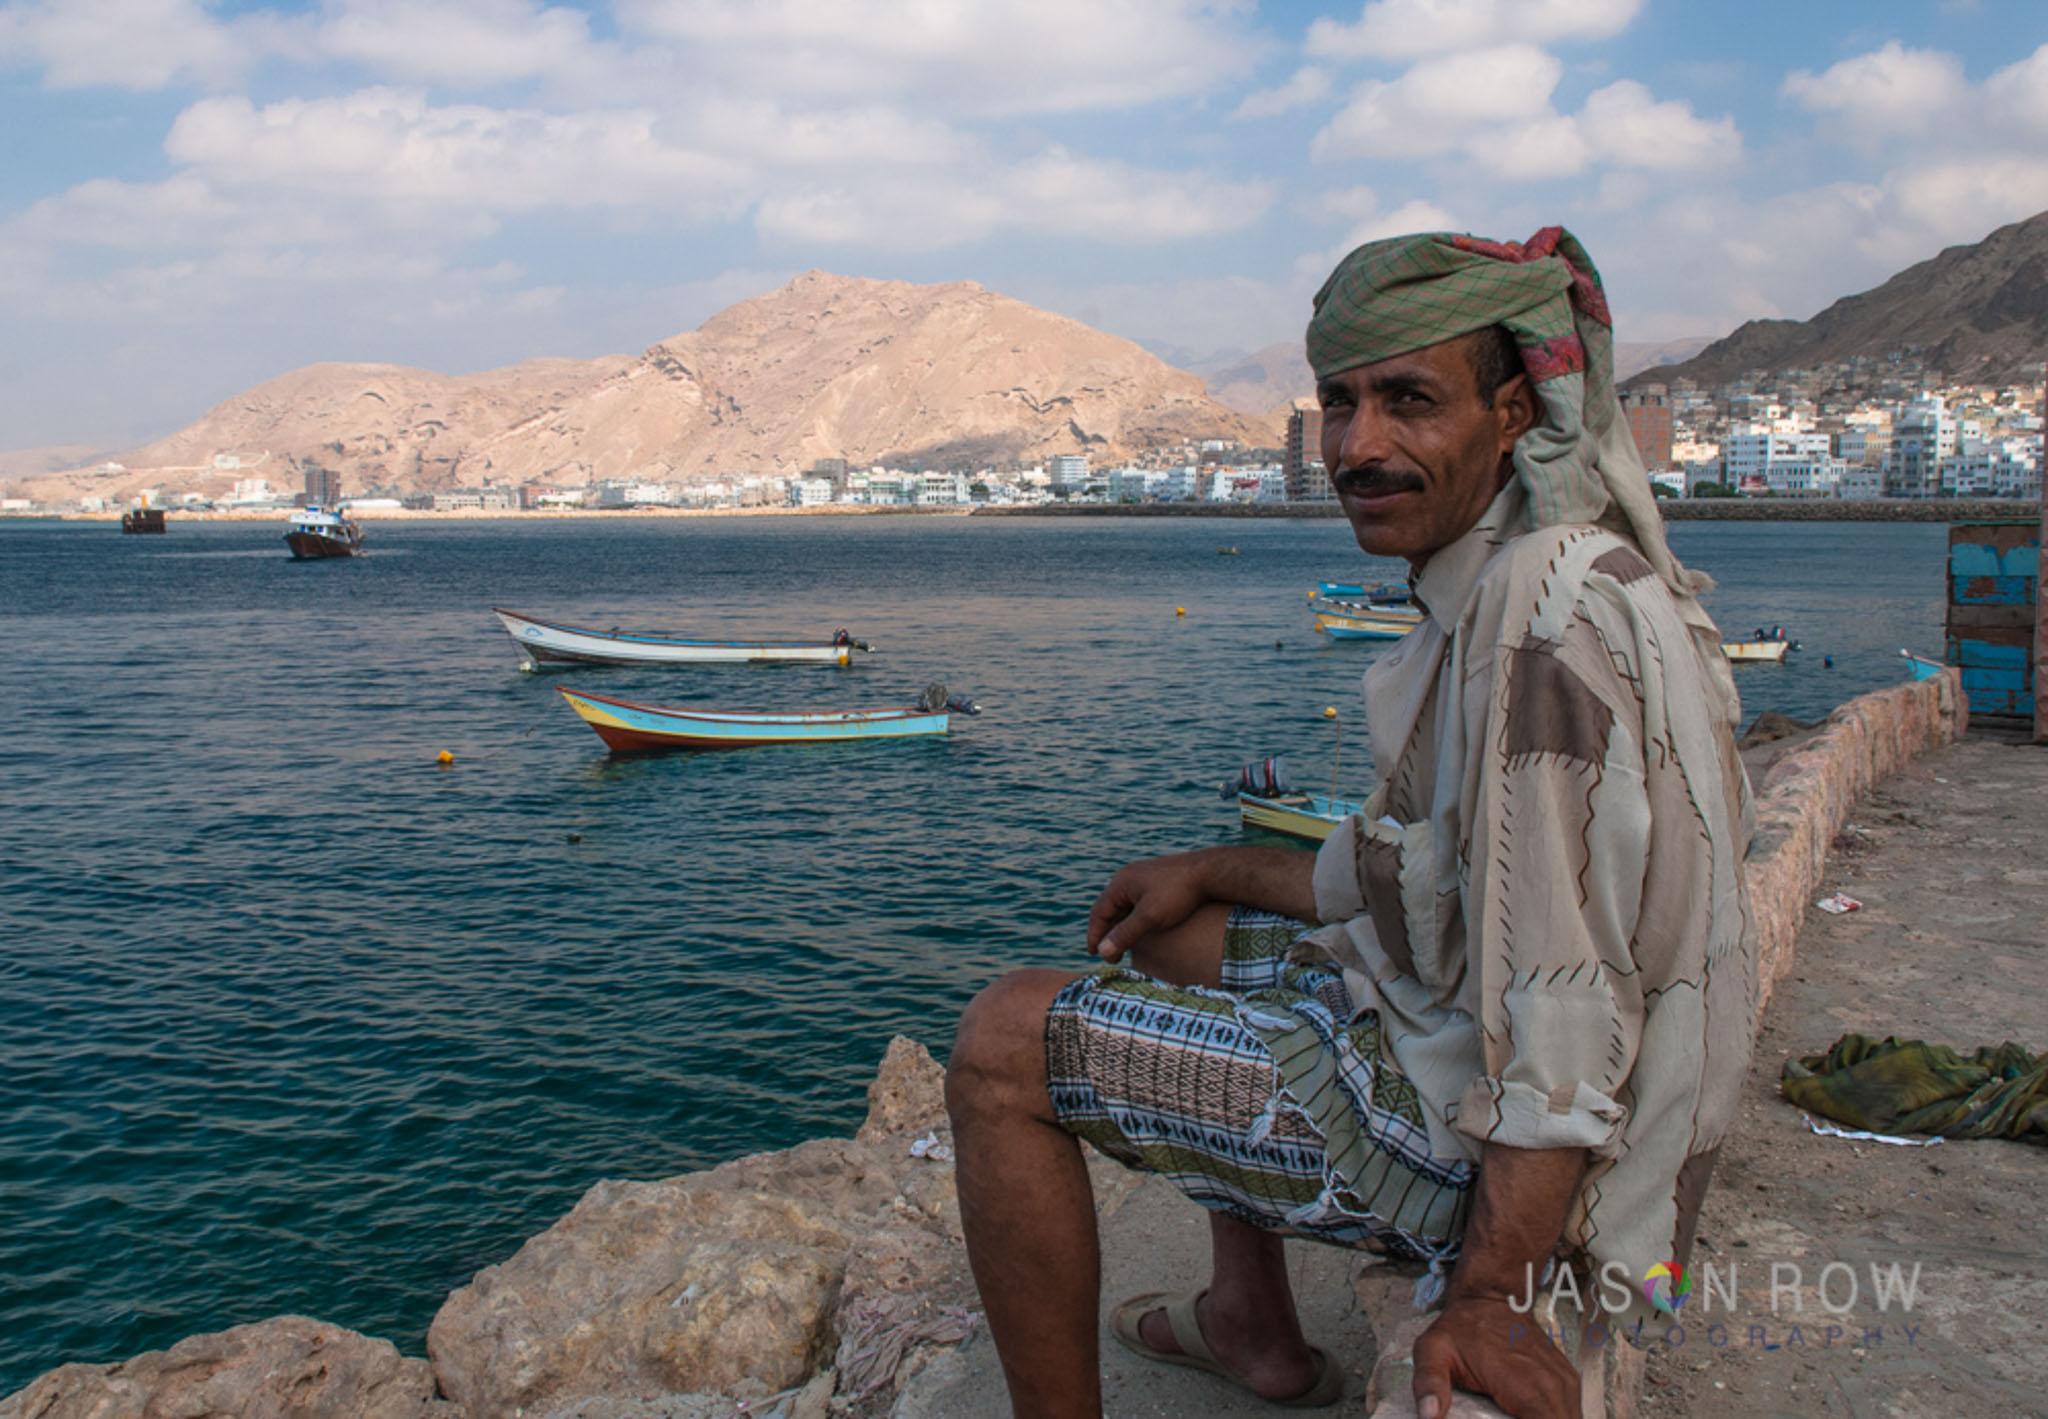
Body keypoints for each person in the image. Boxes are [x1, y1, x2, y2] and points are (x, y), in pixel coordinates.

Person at [946, 227, 1758, 1419]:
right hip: (1465, 1033)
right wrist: (1211, 867)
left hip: (1515, 1158)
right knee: (1178, 935)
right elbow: (1420, 876)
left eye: (1408, 402)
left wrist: (1486, 1294)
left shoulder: (1542, 626)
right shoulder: (1503, 577)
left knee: (1005, 1042)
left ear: (1509, 413)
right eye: (1338, 403)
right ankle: (1249, 1326)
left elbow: (1568, 1006)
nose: (1356, 447)